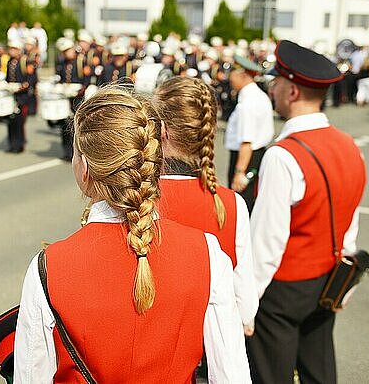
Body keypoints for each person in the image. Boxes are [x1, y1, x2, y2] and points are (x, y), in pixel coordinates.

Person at [14, 86, 251, 383]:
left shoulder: (47, 267)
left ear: (84, 168)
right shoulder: (207, 251)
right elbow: (232, 376)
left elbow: (30, 377)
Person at [247, 40, 367, 384]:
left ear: (293, 91)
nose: (273, 88)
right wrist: (347, 283)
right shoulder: (349, 145)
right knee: (319, 370)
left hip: (284, 290)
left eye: (277, 82)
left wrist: (247, 304)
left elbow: (267, 243)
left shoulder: (284, 154)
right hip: (328, 278)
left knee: (272, 374)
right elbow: (349, 221)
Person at [152, 76, 258, 332]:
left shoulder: (134, 197)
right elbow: (245, 306)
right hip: (208, 344)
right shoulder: (231, 203)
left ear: (162, 130)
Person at [225, 55, 274, 213]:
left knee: (241, 207)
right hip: (252, 157)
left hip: (246, 160)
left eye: (231, 73)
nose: (229, 78)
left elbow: (247, 141)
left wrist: (240, 173)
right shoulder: (256, 96)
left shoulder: (249, 102)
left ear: (242, 74)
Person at [3, 41, 37, 153]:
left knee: (19, 121)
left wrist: (23, 86)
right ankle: (12, 144)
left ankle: (19, 144)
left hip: (23, 97)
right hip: (12, 95)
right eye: (10, 49)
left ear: (19, 50)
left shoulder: (26, 61)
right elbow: (8, 78)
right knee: (10, 121)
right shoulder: (9, 62)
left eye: (14, 49)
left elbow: (31, 78)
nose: (11, 51)